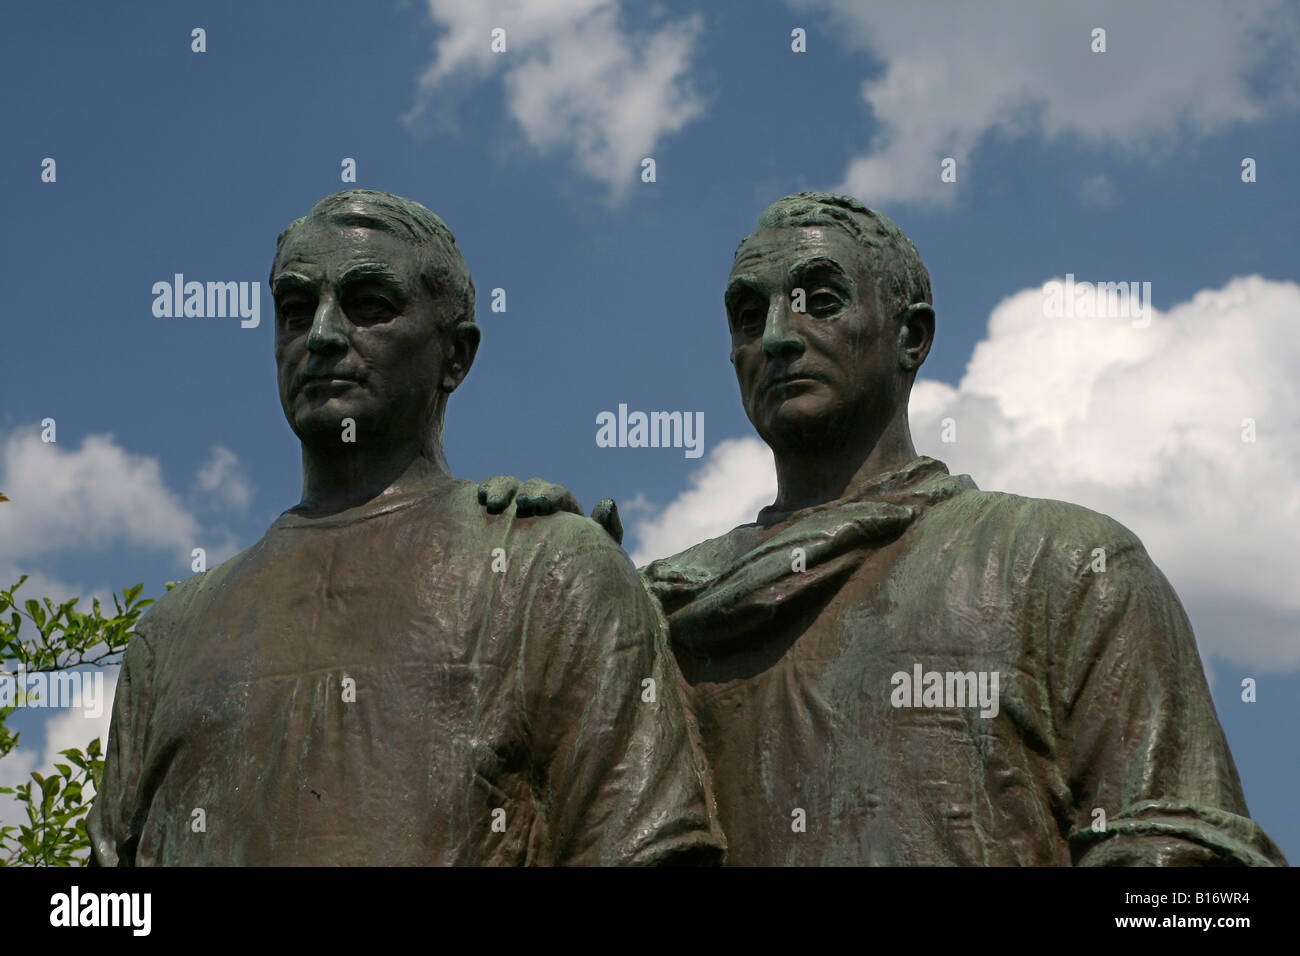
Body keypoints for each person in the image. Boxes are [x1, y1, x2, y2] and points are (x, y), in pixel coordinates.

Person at [481, 192, 1286, 866]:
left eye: (820, 300)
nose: (776, 338)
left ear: (912, 336)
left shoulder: (1066, 563)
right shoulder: (658, 611)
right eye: (747, 315)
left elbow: (1199, 886)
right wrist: (551, 607)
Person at [87, 189, 724, 866]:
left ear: (456, 356)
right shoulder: (170, 634)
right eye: (296, 311)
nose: (323, 335)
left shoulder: (553, 570)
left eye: (368, 306)